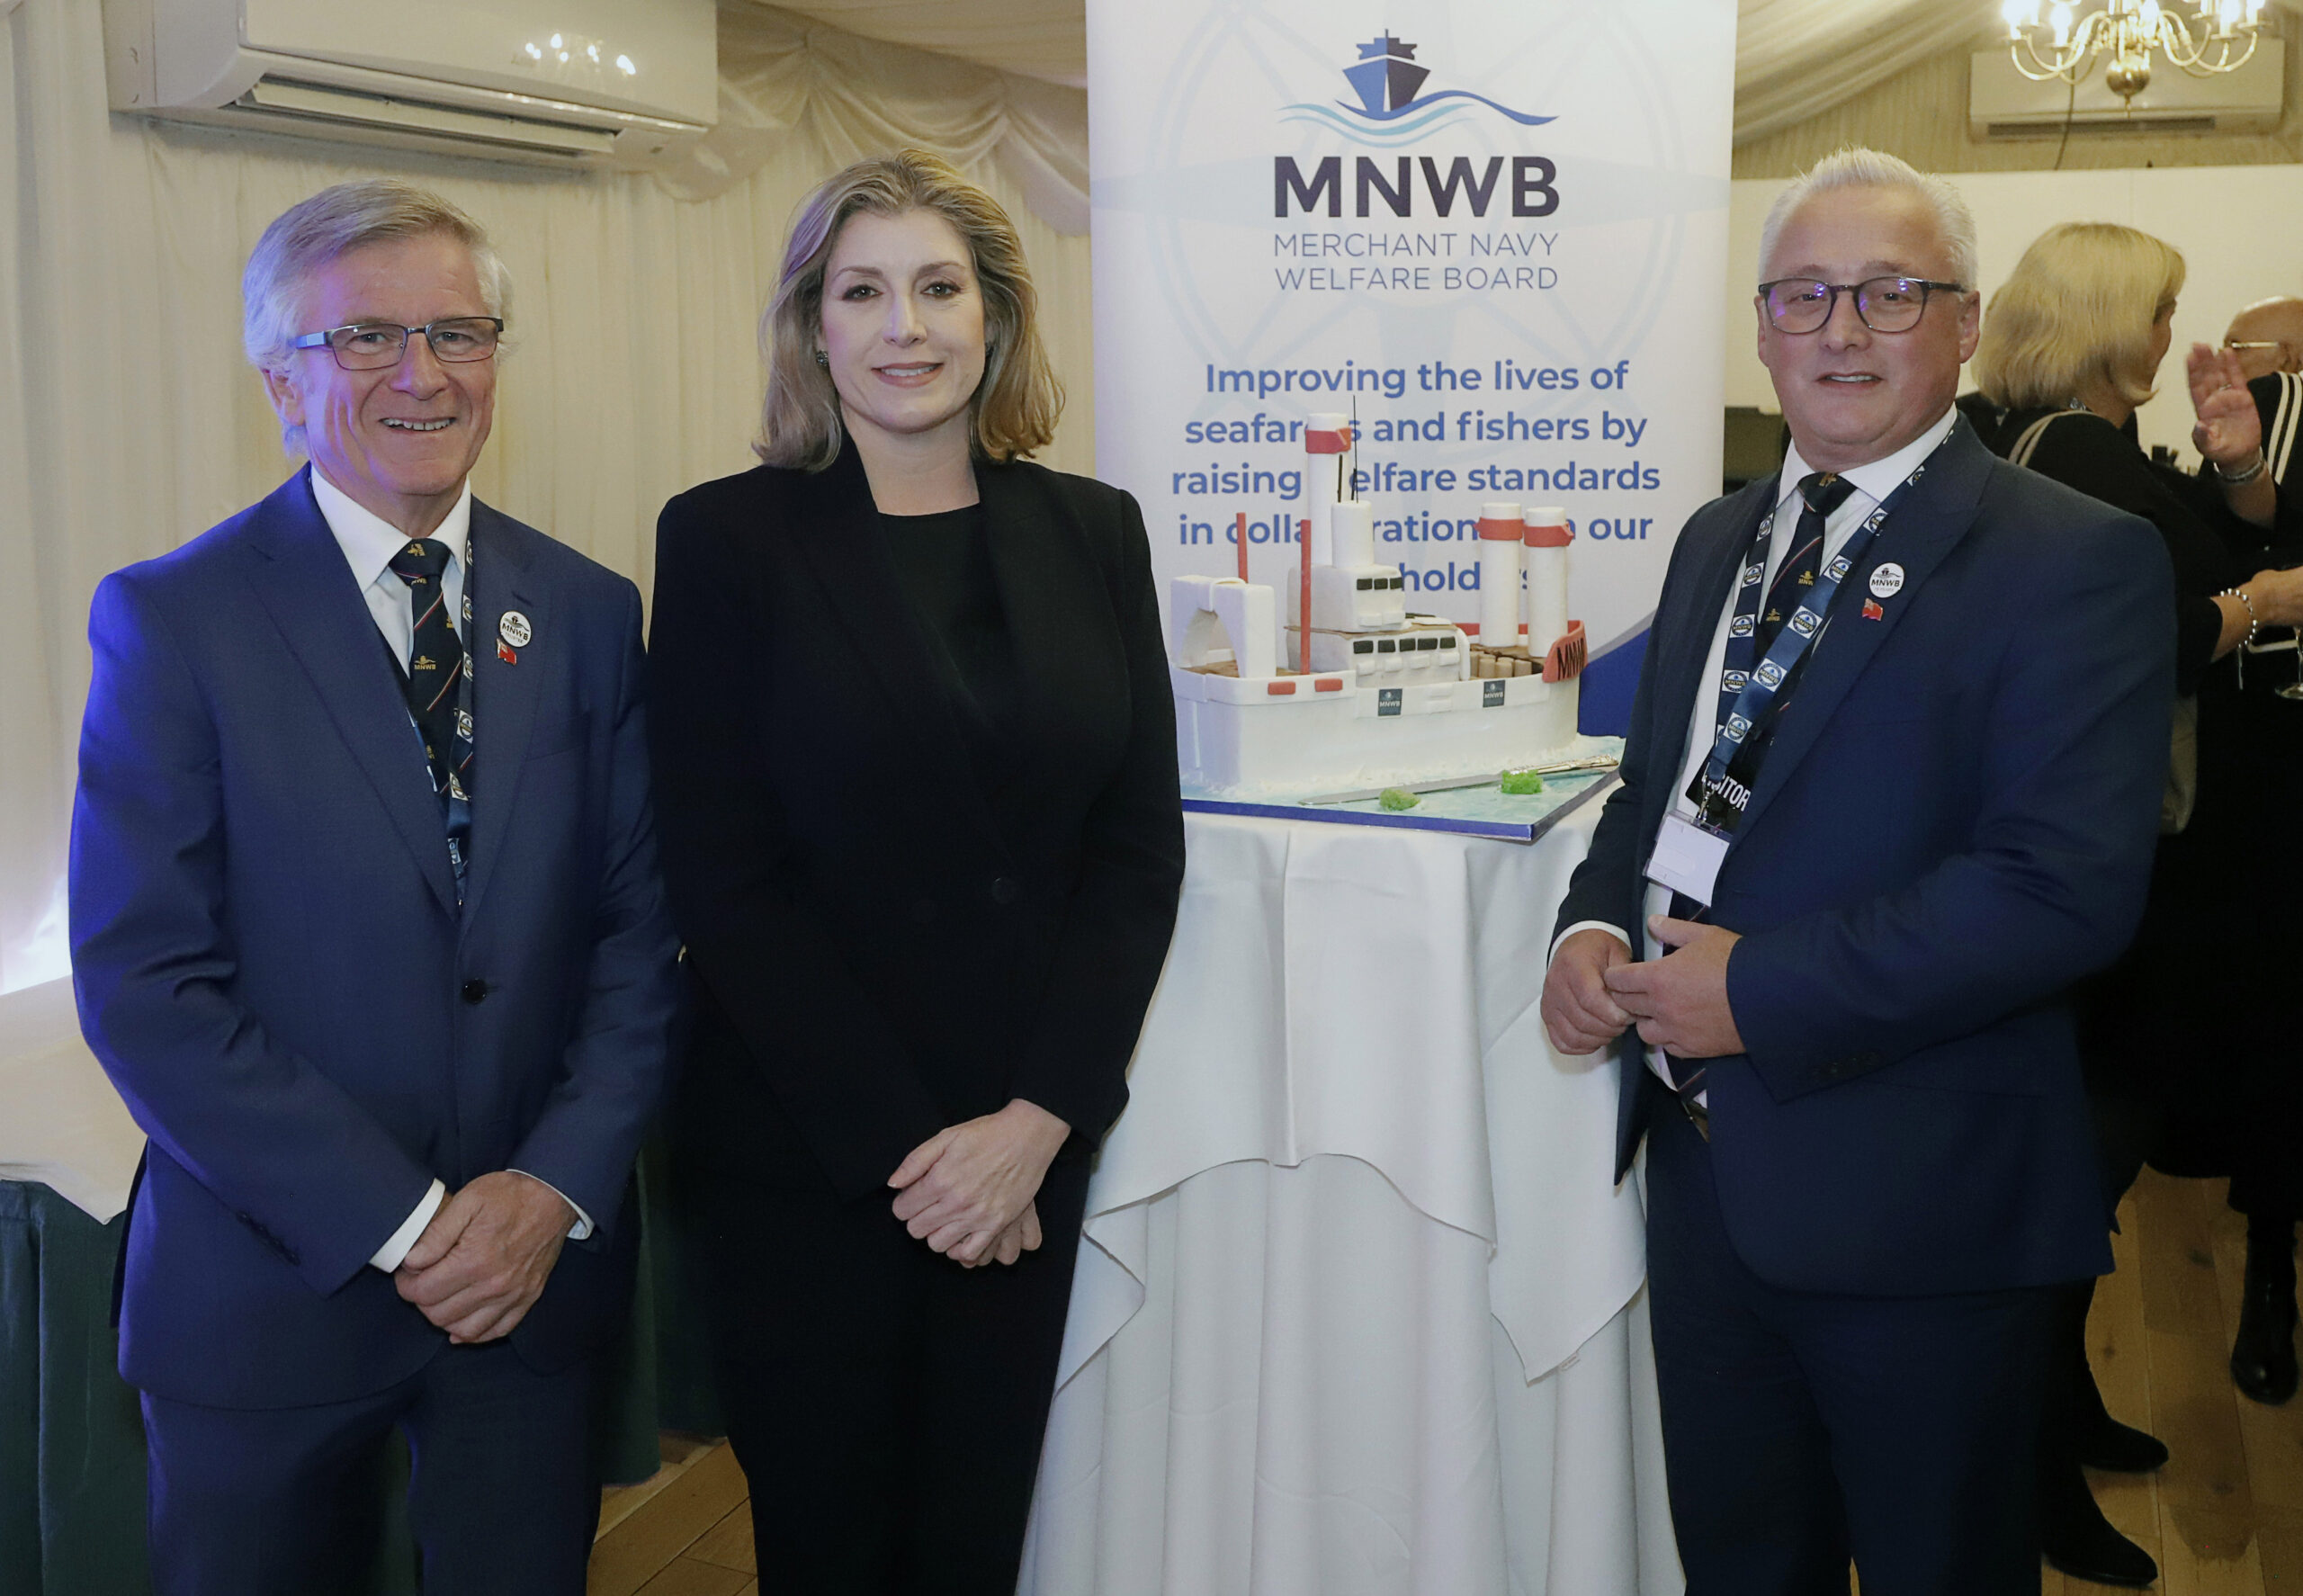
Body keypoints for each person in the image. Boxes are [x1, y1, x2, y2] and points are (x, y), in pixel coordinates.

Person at [1538, 148, 2175, 1594]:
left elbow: (2061, 887)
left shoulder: (2076, 558)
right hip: (1706, 1187)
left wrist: (1757, 990)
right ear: (1761, 328)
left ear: (1965, 323)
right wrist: (1590, 928)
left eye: (1891, 292)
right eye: (1805, 294)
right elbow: (1655, 793)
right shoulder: (1714, 539)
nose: (1841, 329)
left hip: (1922, 1206)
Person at [69, 180, 683, 1595]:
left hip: (529, 1294)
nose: (425, 373)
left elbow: (636, 941)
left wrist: (546, 1188)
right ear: (281, 382)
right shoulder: (174, 621)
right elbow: (148, 984)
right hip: (268, 1294)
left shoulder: (588, 611)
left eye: (458, 332)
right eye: (368, 338)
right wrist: (407, 1222)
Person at [646, 148, 1185, 1594]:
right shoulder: (724, 540)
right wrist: (919, 1154)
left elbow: (1137, 848)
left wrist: (1038, 1120)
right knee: (830, 1549)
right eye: (862, 291)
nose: (905, 326)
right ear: (811, 325)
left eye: (939, 288)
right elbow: (724, 876)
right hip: (809, 1155)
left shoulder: (1096, 530)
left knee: (974, 1544)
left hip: (1025, 1150)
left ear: (994, 317)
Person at [1960, 221, 2303, 1586]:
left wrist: (2238, 476)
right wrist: (2269, 596)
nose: (2173, 337)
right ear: (2108, 325)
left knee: (2083, 1161)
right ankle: (2033, 1462)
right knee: (2077, 1164)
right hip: (2098, 873)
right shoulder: (2077, 457)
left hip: (2114, 868)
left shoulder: (2077, 448)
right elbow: (2156, 630)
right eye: (2159, 314)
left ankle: (2064, 1411)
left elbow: (2191, 562)